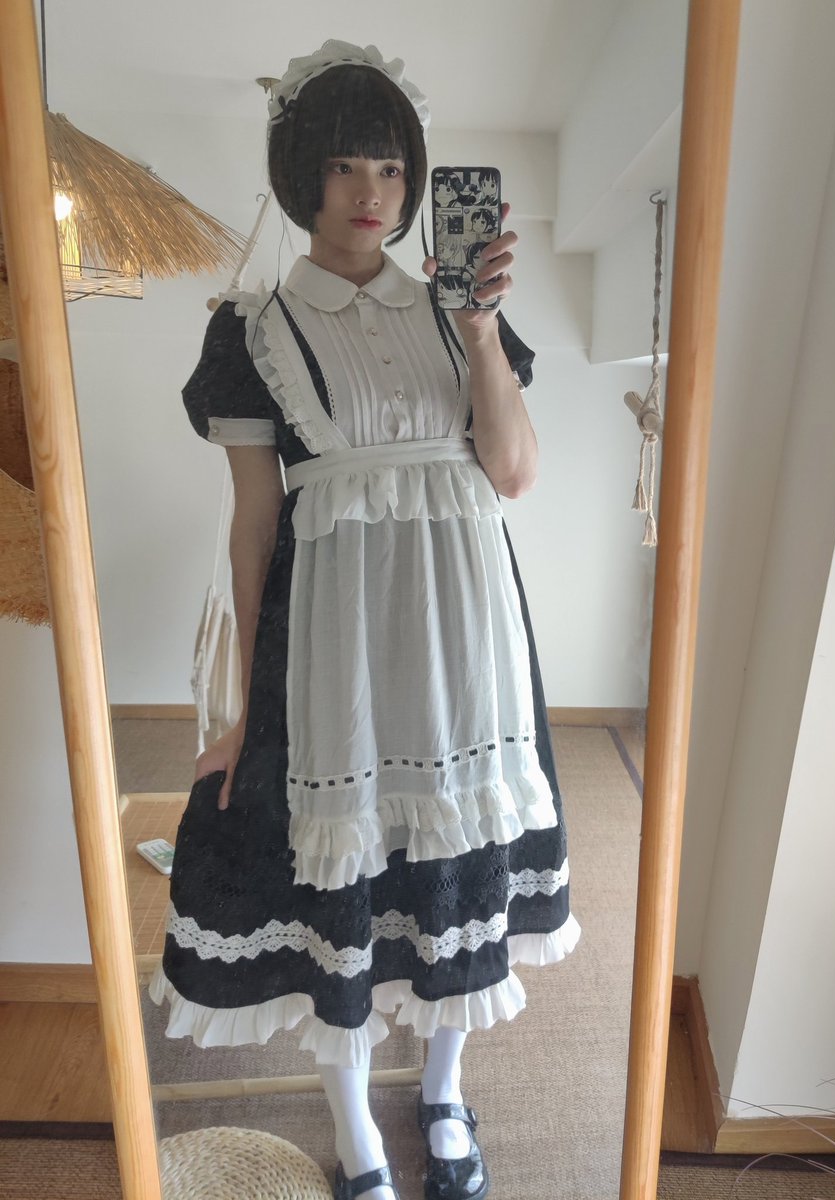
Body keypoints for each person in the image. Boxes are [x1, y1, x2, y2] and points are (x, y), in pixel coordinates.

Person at [150, 39, 580, 1200]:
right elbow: (254, 525)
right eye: (343, 165)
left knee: (460, 867)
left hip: (467, 640)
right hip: (330, 643)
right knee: (332, 889)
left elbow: (513, 471)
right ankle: (357, 1132)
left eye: (389, 168)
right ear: (302, 174)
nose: (370, 194)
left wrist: (480, 332)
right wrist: (244, 706)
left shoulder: (459, 313)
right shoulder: (251, 329)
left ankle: (442, 1091)